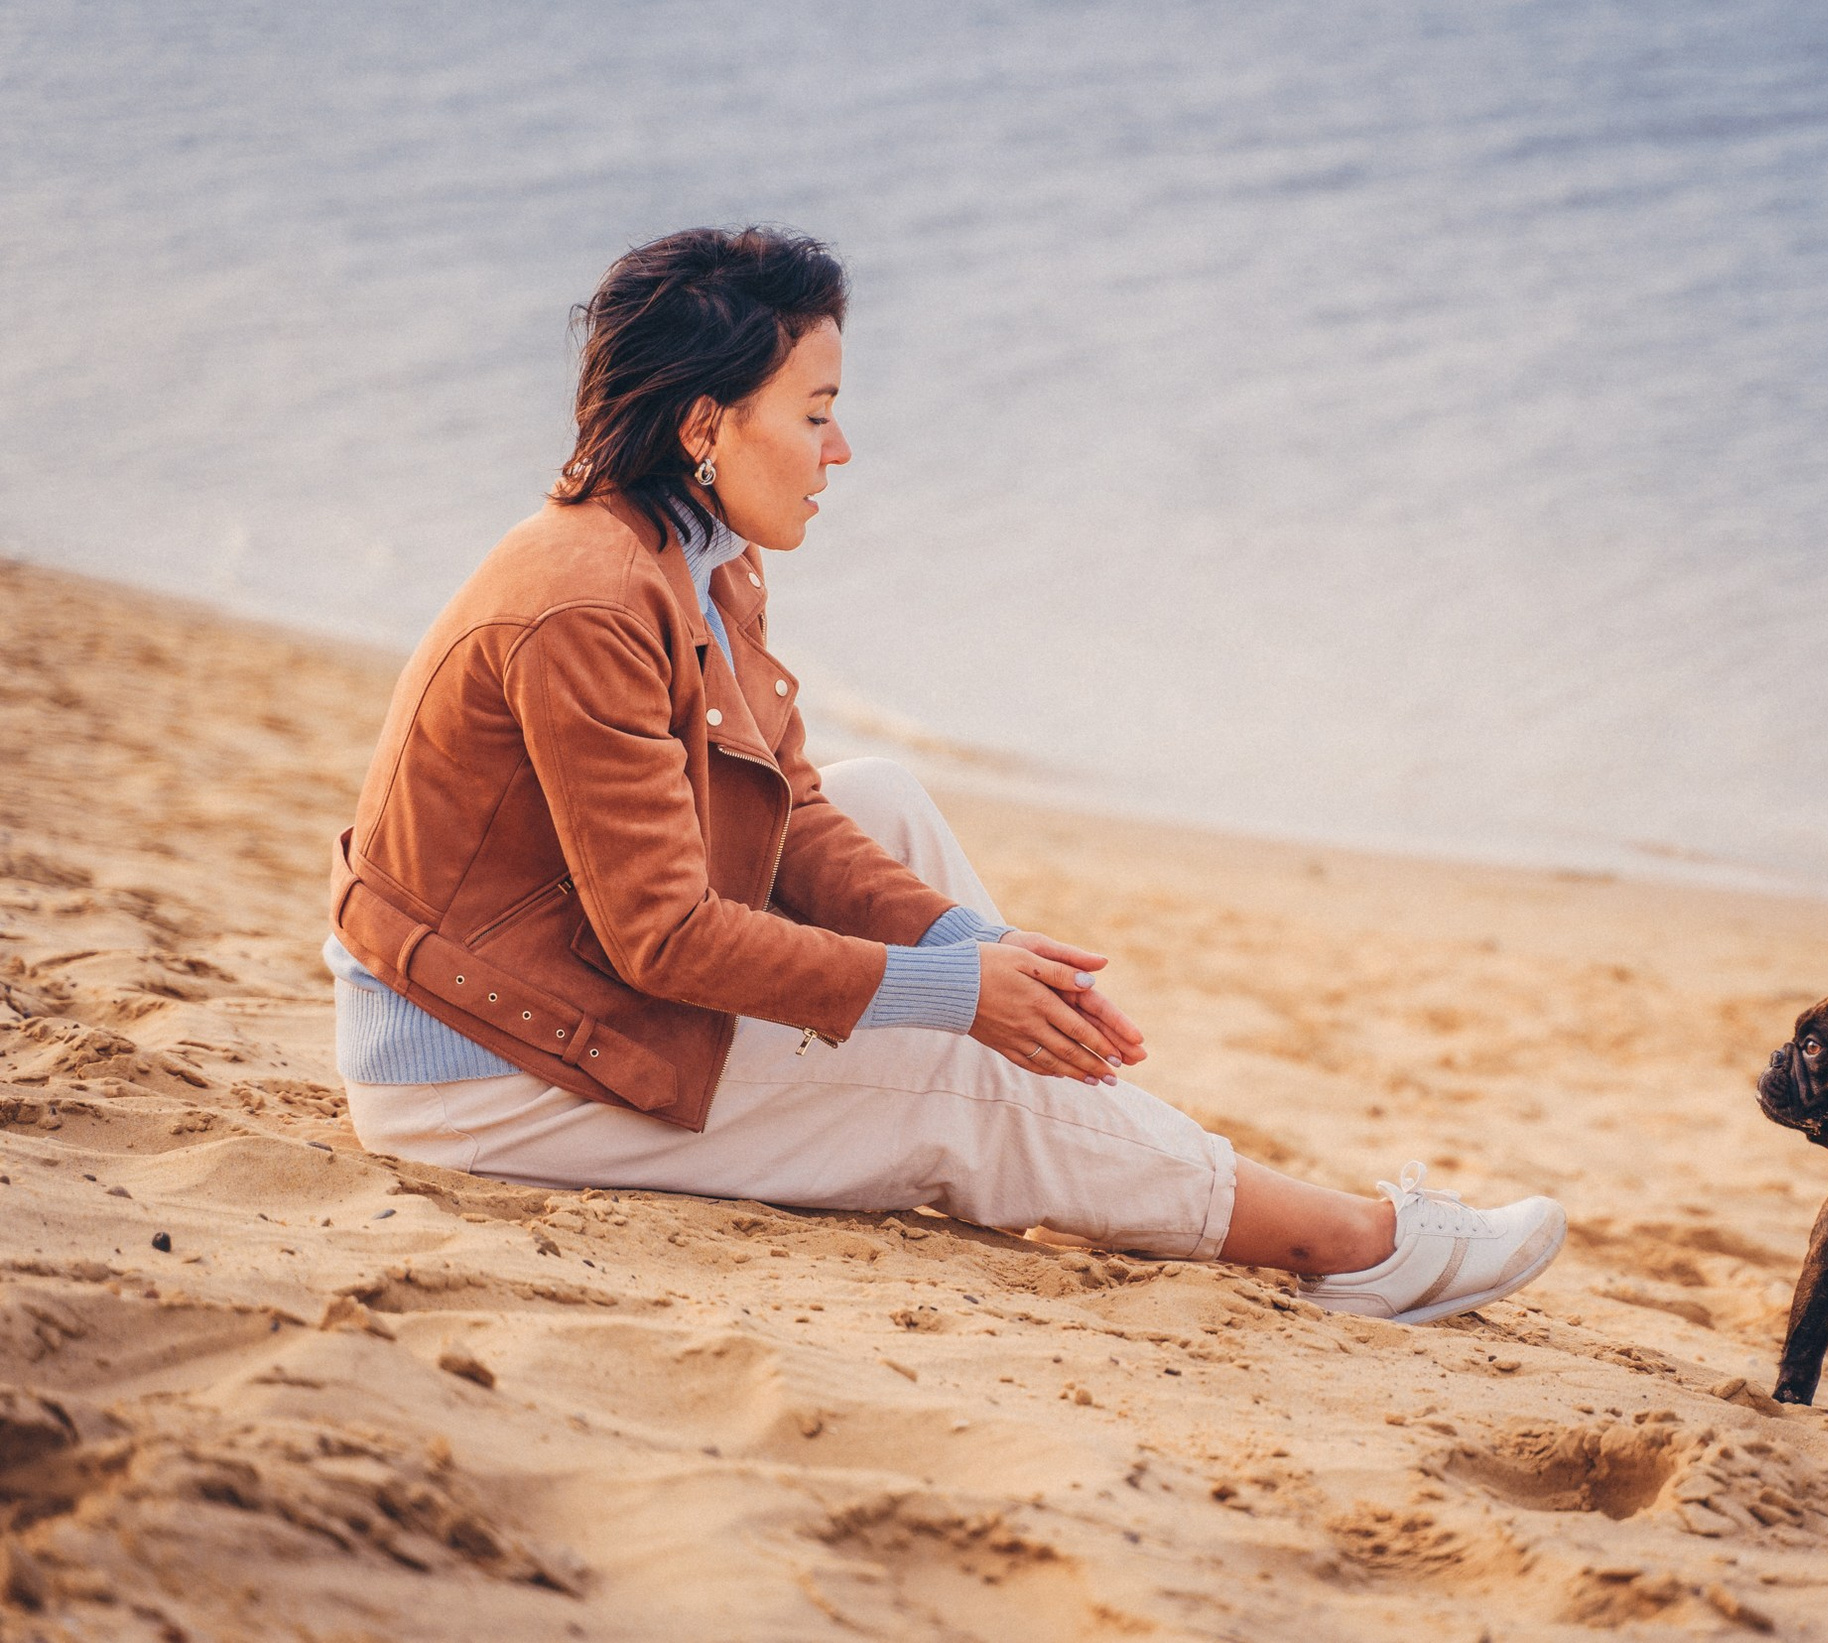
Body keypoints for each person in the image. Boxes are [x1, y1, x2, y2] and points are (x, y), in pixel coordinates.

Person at [324, 226, 1565, 1324]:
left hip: (541, 970)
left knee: (884, 802)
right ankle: (1353, 1246)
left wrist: (980, 951)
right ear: (706, 426)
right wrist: (955, 998)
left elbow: (796, 815)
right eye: (813, 414)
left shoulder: (689, 554)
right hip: (492, 1071)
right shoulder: (586, 603)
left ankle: (1092, 1126)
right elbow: (660, 939)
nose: (841, 446)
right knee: (951, 1087)